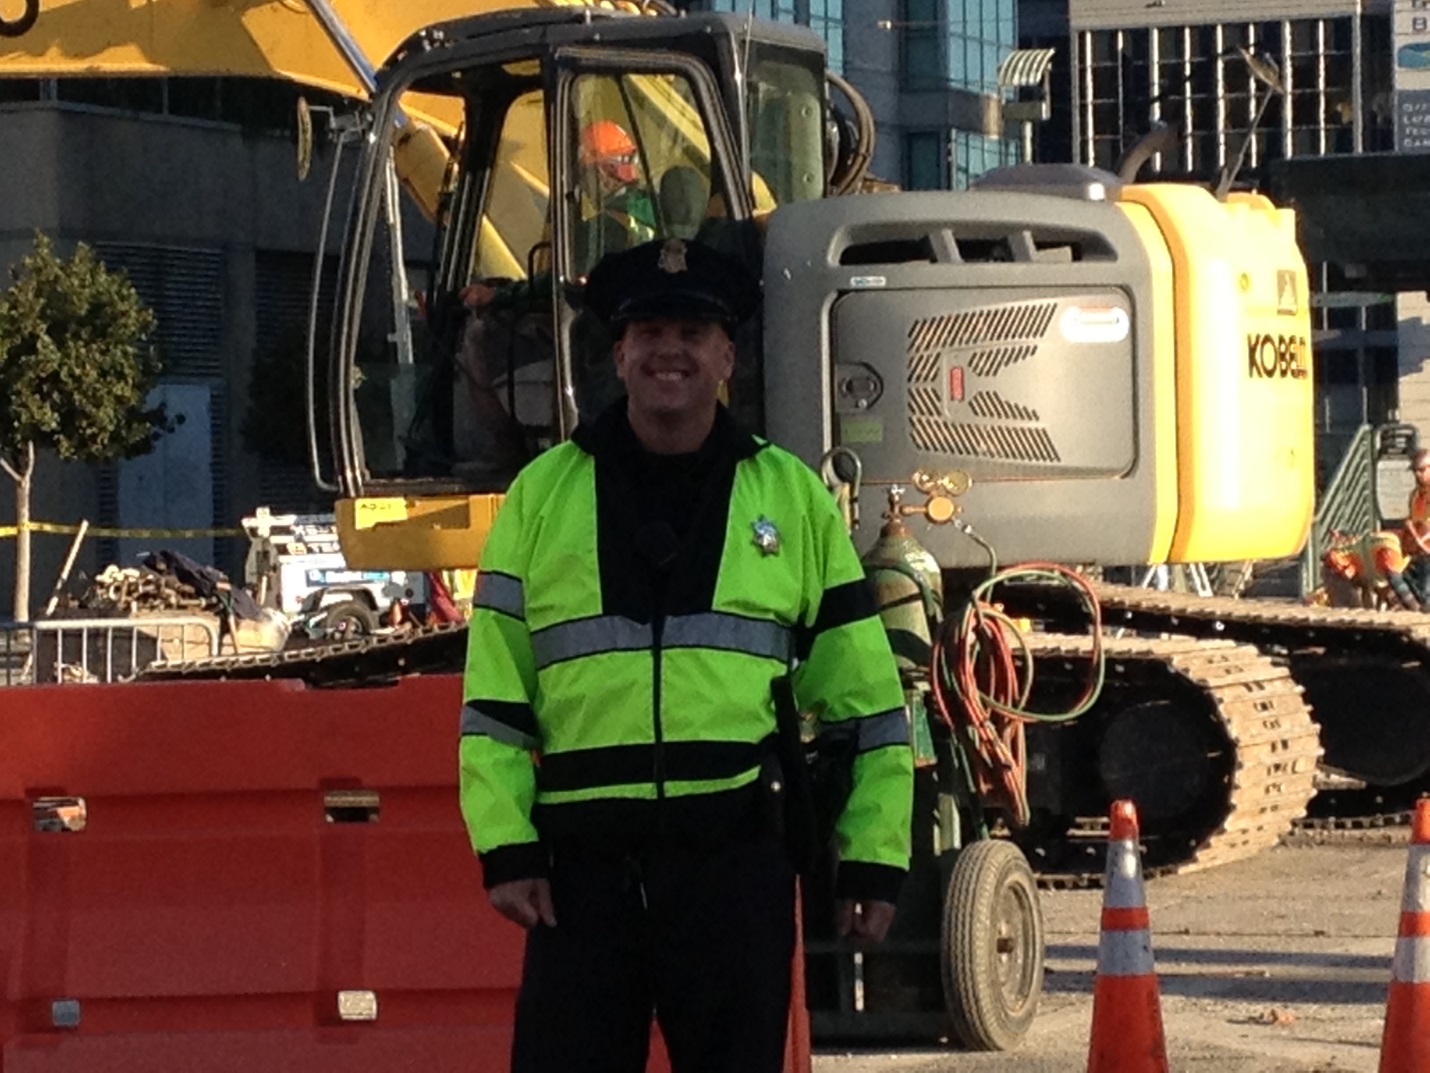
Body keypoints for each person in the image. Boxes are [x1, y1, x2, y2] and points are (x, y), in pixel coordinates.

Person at [458, 237, 914, 1073]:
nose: (671, 349)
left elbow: (867, 701)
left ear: (727, 355)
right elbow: (493, 696)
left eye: (695, 331)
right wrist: (506, 845)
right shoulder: (542, 496)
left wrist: (875, 858)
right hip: (580, 882)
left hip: (734, 872)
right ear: (619, 352)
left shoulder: (791, 498)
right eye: (650, 329)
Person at [576, 119, 657, 271]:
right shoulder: (658, 208)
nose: (583, 186)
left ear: (601, 172)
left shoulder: (597, 232)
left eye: (583, 174)